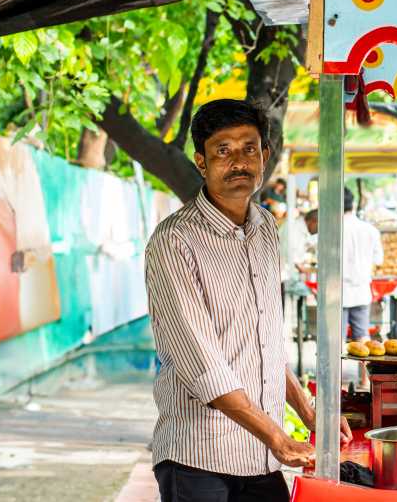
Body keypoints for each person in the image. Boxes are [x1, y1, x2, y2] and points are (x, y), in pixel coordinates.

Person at [145, 99, 350, 502]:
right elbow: (203, 365)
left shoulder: (264, 229)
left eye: (248, 148)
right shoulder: (174, 242)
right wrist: (278, 435)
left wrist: (307, 410)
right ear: (201, 162)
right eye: (222, 151)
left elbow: (266, 345)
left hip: (259, 455)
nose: (238, 162)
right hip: (198, 455)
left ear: (265, 155)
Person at [342, 187, 383, 343]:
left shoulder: (332, 230)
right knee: (363, 339)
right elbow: (378, 261)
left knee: (337, 341)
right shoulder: (371, 230)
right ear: (352, 205)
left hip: (338, 293)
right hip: (361, 290)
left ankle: (336, 369)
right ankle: (363, 368)